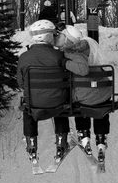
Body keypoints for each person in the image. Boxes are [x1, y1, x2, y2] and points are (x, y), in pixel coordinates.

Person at [54, 25, 111, 161]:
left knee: (79, 103)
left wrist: (64, 63)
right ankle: (101, 139)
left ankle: (84, 135)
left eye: (62, 35)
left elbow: (83, 69)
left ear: (68, 40)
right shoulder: (88, 47)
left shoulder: (72, 54)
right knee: (99, 108)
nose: (58, 37)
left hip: (85, 96)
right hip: (104, 92)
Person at [17, 19, 70, 165]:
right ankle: (61, 143)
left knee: (28, 109)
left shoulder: (24, 57)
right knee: (60, 102)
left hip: (35, 105)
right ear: (48, 36)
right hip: (58, 104)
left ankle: (32, 146)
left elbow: (21, 83)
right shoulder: (60, 56)